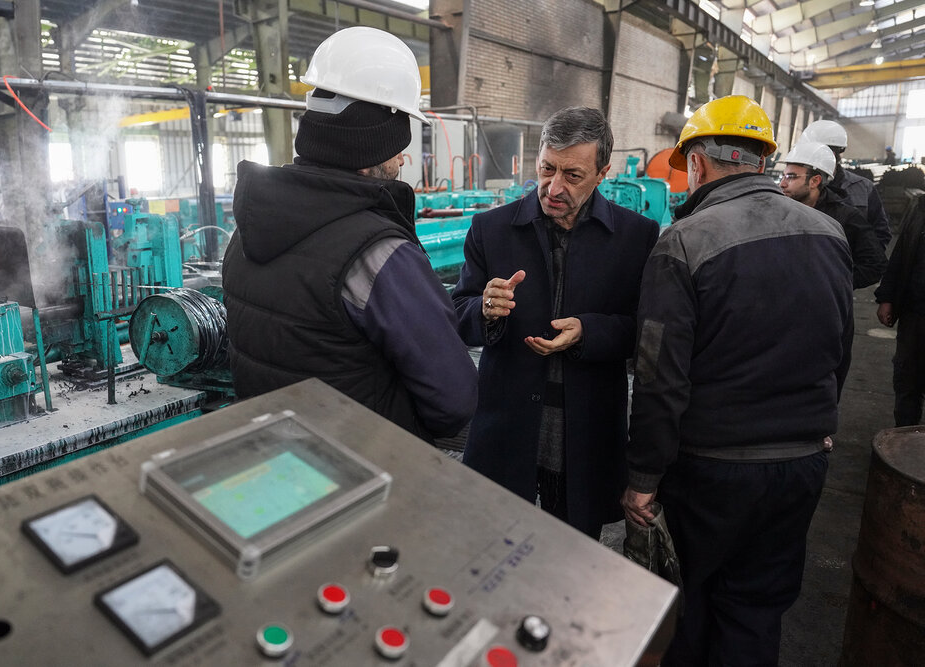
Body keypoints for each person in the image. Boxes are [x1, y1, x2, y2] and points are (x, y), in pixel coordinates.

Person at [622, 95, 854, 666]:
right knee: (756, 610)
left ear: (698, 163)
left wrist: (644, 477)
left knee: (690, 608)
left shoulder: (684, 242)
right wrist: (819, 423)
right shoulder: (829, 232)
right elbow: (839, 344)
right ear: (763, 160)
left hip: (712, 472)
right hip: (801, 464)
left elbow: (658, 375)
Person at [222, 27, 477, 443]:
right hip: (363, 461)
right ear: (365, 151)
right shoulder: (379, 256)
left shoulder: (247, 230)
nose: (401, 159)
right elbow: (455, 398)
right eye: (395, 148)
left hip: (273, 453)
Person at [452, 107, 660, 539]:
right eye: (547, 168)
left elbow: (644, 331)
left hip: (585, 432)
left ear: (602, 173)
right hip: (507, 425)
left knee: (572, 553)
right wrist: (484, 308)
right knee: (493, 547)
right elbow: (458, 314)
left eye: (573, 175)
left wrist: (588, 331)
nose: (554, 186)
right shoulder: (491, 229)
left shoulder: (635, 237)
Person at [780, 141, 887, 289]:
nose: (782, 184)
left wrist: (833, 285)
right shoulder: (779, 212)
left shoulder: (844, 217)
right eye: (783, 176)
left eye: (791, 177)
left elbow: (875, 265)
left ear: (814, 181)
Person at [801, 119, 891, 250]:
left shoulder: (864, 187)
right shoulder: (796, 187)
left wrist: (866, 259)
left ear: (832, 154)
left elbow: (881, 232)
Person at [875, 194, 925, 426]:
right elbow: (901, 253)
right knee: (907, 380)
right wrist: (887, 298)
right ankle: (904, 435)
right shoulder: (920, 208)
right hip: (914, 314)